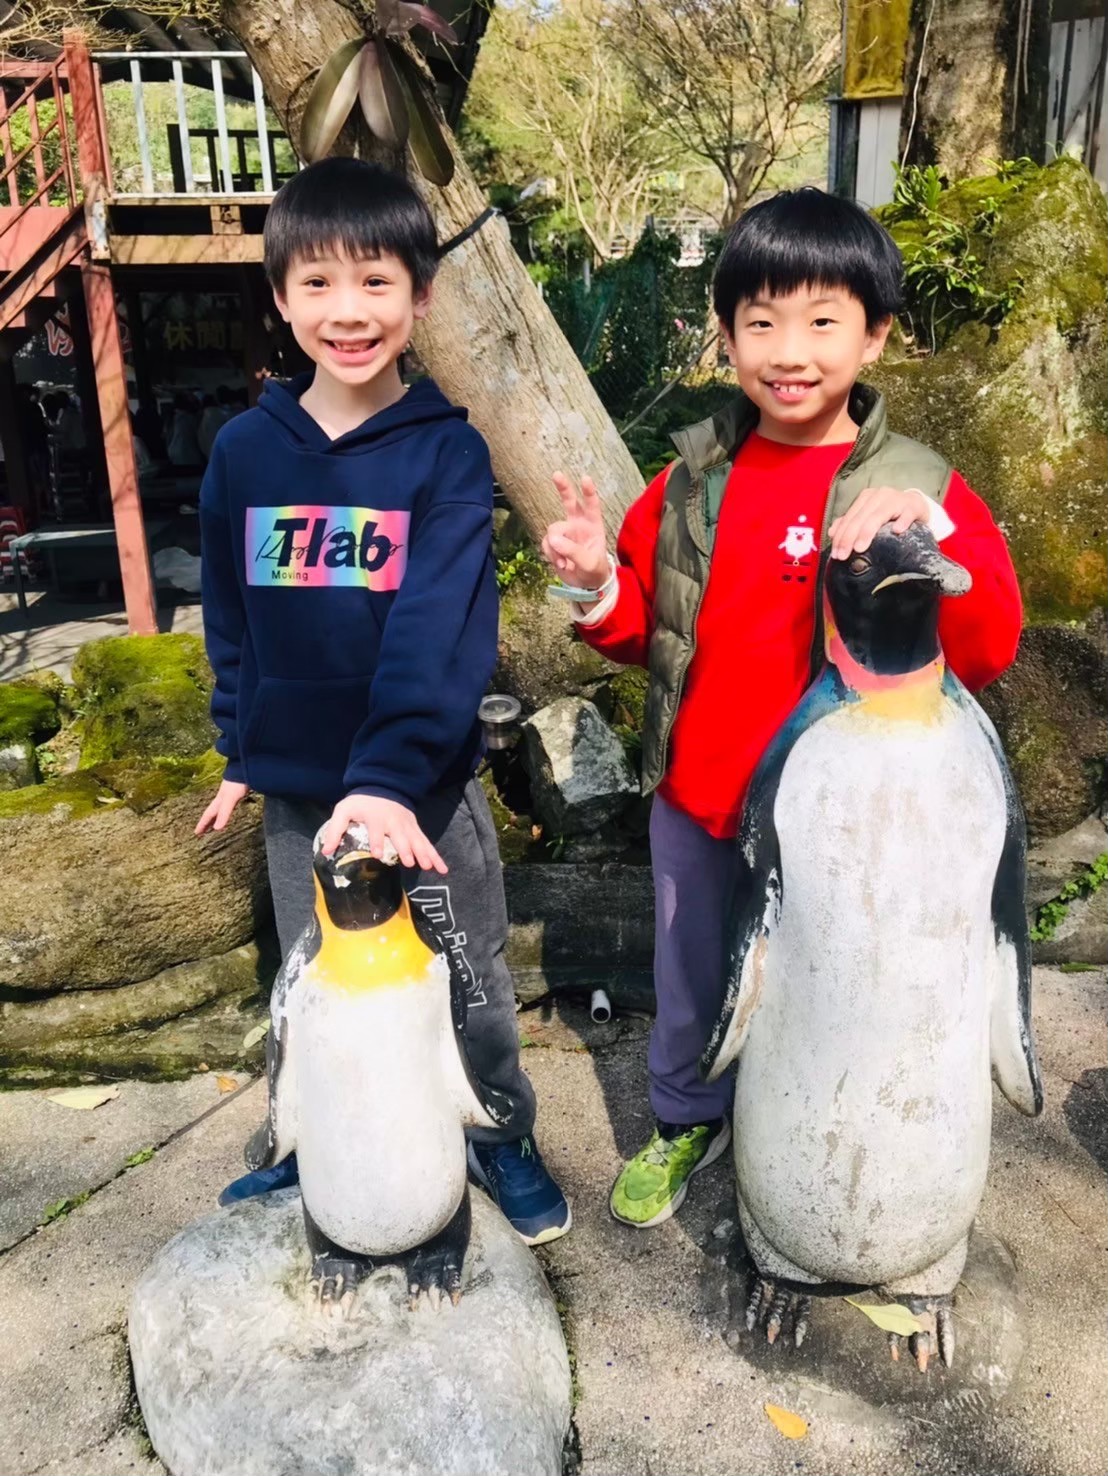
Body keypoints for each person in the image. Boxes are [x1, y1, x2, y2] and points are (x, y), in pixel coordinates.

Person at [542, 188, 1023, 1230]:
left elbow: (986, 650)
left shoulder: (916, 483)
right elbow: (647, 634)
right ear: (725, 336)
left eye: (822, 321)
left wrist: (934, 535)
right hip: (702, 793)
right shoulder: (691, 481)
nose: (789, 352)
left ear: (874, 334)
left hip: (847, 822)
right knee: (688, 967)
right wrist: (594, 584)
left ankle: (824, 1135)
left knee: (832, 980)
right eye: (759, 322)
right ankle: (685, 1116)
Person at [195, 157, 571, 1247]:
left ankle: (496, 1130)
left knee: (467, 978)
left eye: (375, 282)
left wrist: (390, 780)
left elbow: (437, 633)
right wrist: (240, 746)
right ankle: (309, 1144)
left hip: (424, 797)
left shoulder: (445, 455)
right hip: (302, 798)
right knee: (311, 982)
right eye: (317, 283)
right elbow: (232, 617)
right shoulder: (244, 454)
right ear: (280, 297)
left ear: (422, 296)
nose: (348, 311)